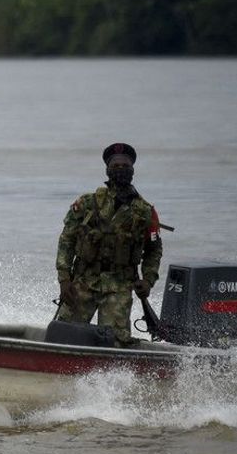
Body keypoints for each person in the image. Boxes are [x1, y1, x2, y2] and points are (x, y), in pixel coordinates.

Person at [55, 142, 163, 347]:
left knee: (115, 343)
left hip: (120, 285)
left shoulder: (145, 211)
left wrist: (148, 281)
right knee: (64, 335)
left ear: (132, 170)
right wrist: (64, 280)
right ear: (107, 170)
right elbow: (66, 240)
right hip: (83, 281)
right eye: (116, 166)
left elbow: (154, 249)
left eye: (125, 166)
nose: (120, 170)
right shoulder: (87, 203)